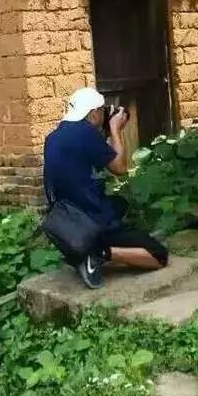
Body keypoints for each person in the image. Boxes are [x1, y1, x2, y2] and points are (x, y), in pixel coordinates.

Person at [43, 87, 169, 289]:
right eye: (102, 111)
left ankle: (84, 249)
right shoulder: (85, 134)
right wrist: (116, 131)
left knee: (120, 204)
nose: (104, 115)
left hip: (66, 220)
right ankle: (100, 253)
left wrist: (106, 131)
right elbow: (119, 168)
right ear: (93, 113)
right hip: (92, 220)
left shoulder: (53, 137)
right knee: (159, 256)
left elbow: (98, 156)